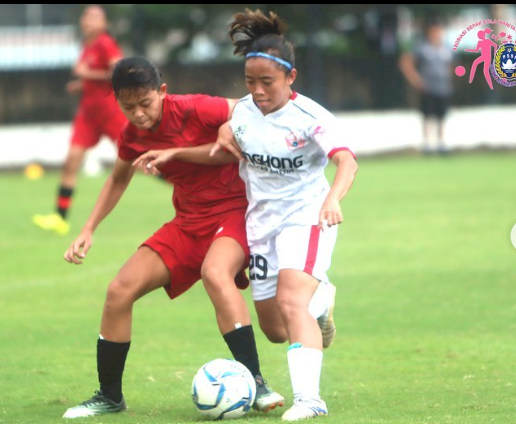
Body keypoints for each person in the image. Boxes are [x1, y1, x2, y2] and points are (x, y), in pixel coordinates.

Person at [135, 9, 358, 421]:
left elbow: (346, 161)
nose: (257, 90)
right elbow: (220, 151)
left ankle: (310, 400)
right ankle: (321, 301)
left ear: (291, 78)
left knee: (292, 303)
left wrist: (333, 199)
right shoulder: (240, 115)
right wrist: (175, 154)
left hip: (306, 217)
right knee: (276, 329)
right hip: (261, 224)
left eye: (267, 82)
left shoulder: (311, 118)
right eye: (250, 82)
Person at [60, 56, 284, 419]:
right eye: (128, 107)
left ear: (162, 92)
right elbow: (118, 178)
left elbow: (247, 107)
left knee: (216, 273)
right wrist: (88, 229)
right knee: (119, 290)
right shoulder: (132, 135)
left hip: (235, 213)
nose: (139, 114)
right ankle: (109, 396)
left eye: (146, 103)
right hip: (188, 223)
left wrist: (230, 127)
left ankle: (256, 383)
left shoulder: (195, 107)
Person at [34, 5, 127, 235]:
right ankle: (60, 218)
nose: (88, 20)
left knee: (142, 157)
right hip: (88, 115)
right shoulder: (87, 45)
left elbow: (119, 71)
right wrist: (82, 84)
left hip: (109, 112)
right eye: (86, 16)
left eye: (95, 16)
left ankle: (186, 184)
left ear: (104, 23)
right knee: (71, 161)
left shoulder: (105, 43)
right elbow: (98, 77)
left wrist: (85, 75)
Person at [399, 17, 454, 154]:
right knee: (428, 116)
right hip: (428, 88)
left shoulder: (446, 47)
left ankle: (442, 144)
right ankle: (427, 144)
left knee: (441, 116)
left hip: (443, 87)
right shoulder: (422, 47)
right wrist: (416, 80)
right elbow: (405, 62)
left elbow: (452, 65)